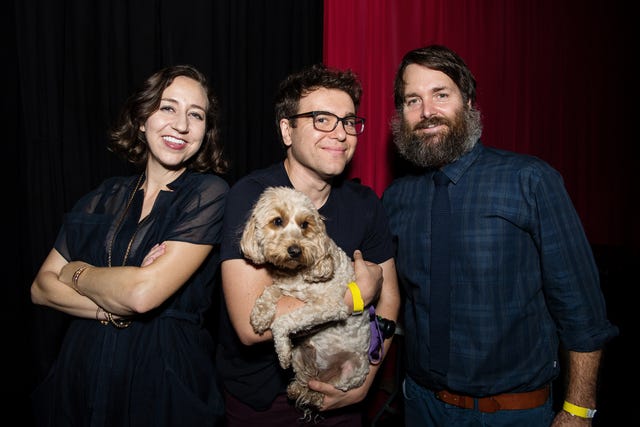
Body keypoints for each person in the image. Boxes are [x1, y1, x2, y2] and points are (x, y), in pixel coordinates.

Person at [381, 44, 619, 426]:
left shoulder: (530, 180)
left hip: (512, 414)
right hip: (421, 406)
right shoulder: (396, 198)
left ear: (469, 102)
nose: (427, 112)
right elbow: (387, 297)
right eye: (413, 100)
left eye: (440, 95)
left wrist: (578, 409)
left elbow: (582, 310)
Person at [30, 64, 229, 426]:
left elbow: (142, 296)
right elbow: (41, 288)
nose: (181, 125)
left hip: (163, 382)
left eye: (195, 115)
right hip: (80, 376)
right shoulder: (102, 196)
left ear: (205, 131)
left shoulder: (208, 194)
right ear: (141, 120)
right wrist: (112, 306)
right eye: (167, 107)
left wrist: (77, 271)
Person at [216, 63, 401, 426]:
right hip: (262, 403)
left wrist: (367, 376)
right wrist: (357, 296)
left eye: (349, 121)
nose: (340, 133)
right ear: (287, 129)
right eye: (322, 119)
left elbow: (391, 298)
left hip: (344, 396)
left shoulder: (366, 204)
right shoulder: (253, 197)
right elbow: (252, 324)